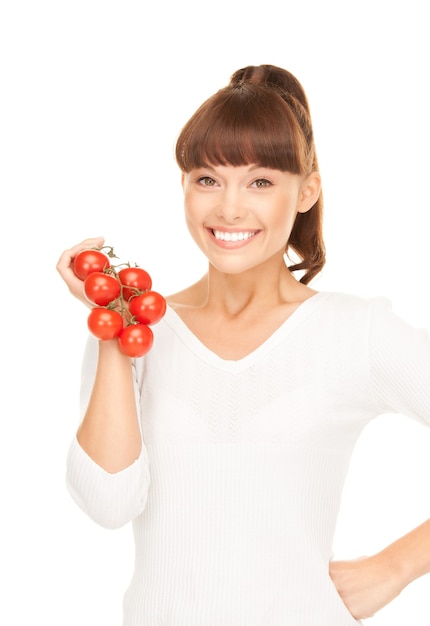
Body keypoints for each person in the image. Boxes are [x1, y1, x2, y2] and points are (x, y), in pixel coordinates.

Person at [56, 64, 430, 625]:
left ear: (306, 192)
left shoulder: (357, 332)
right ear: (182, 186)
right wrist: (114, 325)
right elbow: (109, 505)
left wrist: (395, 567)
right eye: (207, 179)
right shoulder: (136, 326)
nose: (229, 208)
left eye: (260, 181)